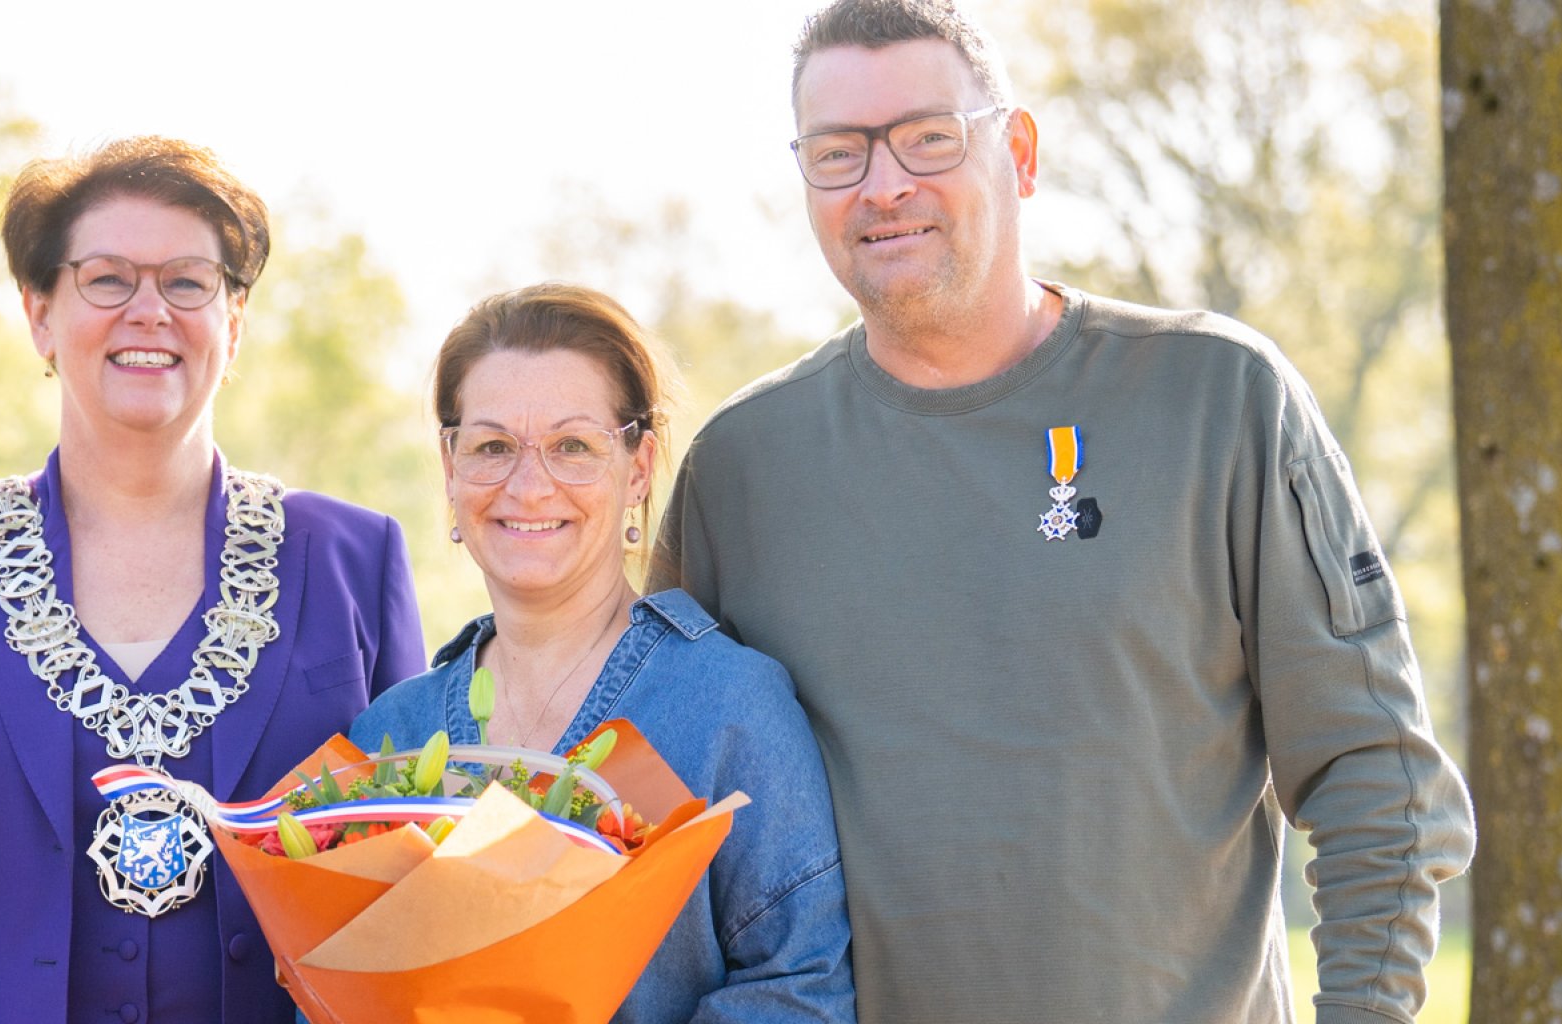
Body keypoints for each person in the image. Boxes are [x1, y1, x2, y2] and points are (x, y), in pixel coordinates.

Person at [648, 2, 1477, 1022]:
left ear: (1021, 153)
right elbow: (655, 826)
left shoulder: (1216, 400)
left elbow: (1378, 784)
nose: (883, 184)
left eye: (928, 137)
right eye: (837, 153)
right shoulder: (741, 470)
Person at [0, 136, 426, 1024]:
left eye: (188, 282)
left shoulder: (355, 558)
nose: (149, 311)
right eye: (108, 279)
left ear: (235, 320)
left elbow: (409, 867)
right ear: (40, 312)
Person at [352, 283, 855, 1022]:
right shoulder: (391, 735)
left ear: (639, 469)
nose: (529, 487)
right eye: (492, 447)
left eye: (573, 447)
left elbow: (801, 986)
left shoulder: (727, 707)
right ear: (451, 467)